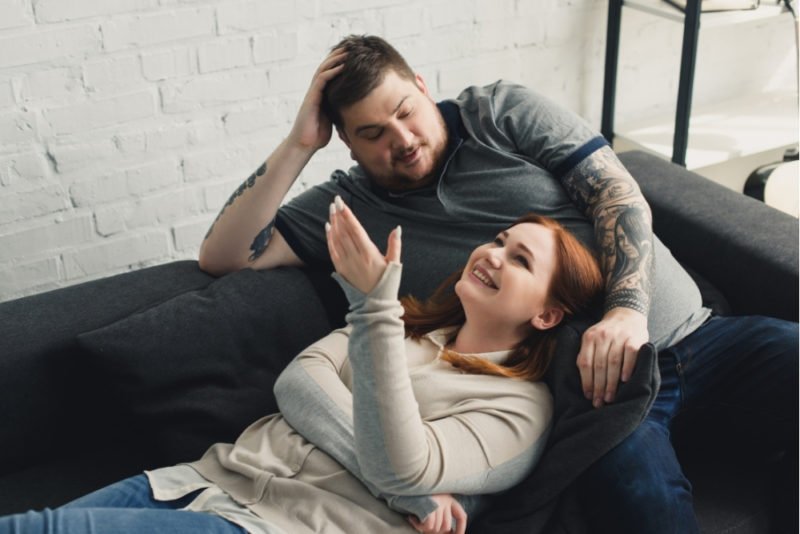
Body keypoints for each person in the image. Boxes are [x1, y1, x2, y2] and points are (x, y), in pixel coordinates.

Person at [198, 34, 799, 533]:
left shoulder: (499, 111)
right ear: (347, 144)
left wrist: (626, 310)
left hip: (696, 335)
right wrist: (300, 142)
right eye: (373, 133)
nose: (401, 140)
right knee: (638, 496)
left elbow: (618, 195)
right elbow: (223, 256)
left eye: (405, 111)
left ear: (424, 88)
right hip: (602, 398)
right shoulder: (347, 205)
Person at [0, 209, 604, 533]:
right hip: (207, 477)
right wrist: (409, 494)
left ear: (549, 313)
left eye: (519, 259)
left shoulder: (520, 409)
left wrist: (374, 311)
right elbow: (296, 385)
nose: (493, 254)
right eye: (500, 239)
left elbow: (403, 457)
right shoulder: (412, 327)